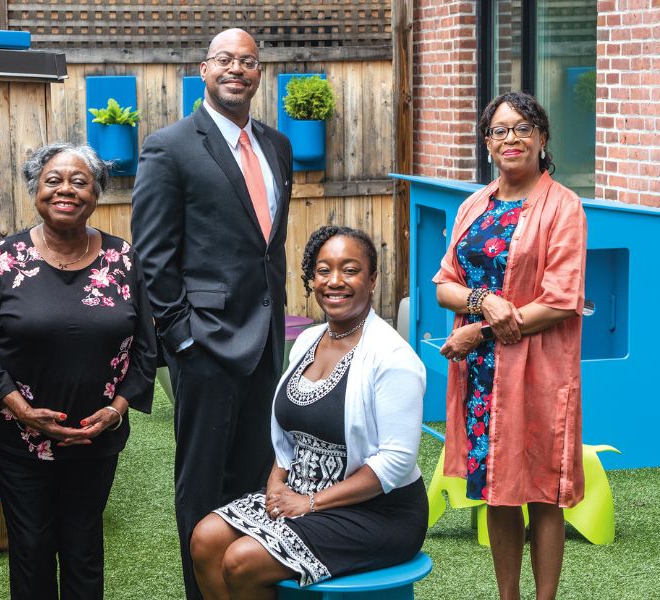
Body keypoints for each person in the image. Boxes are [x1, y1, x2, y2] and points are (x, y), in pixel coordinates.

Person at [130, 28, 293, 598]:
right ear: (204, 69)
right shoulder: (169, 146)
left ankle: (248, 586)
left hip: (268, 342)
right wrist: (181, 338)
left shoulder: (277, 146)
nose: (237, 69)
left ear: (258, 73)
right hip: (204, 344)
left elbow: (266, 245)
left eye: (248, 61)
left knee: (257, 474)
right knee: (202, 485)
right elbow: (152, 255)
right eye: (225, 59)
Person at [189, 226, 428, 599]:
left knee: (242, 560)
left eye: (350, 270)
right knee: (205, 538)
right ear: (312, 279)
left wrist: (310, 503)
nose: (335, 281)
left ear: (372, 280)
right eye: (323, 270)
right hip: (301, 494)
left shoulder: (393, 360)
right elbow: (287, 438)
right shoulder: (307, 341)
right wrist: (275, 484)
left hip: (378, 513)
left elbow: (396, 462)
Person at [0, 143, 156, 600]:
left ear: (96, 193)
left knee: (84, 546)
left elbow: (146, 348)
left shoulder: (122, 260)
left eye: (79, 180)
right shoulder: (3, 258)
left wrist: (117, 409)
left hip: (97, 435)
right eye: (53, 181)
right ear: (36, 189)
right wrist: (23, 411)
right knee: (31, 546)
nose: (65, 190)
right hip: (19, 437)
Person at [434, 91, 587, 600]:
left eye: (523, 128)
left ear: (542, 139)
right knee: (498, 494)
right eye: (499, 130)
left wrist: (479, 326)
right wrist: (482, 299)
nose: (511, 138)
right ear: (487, 143)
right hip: (480, 377)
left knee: (541, 491)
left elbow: (562, 301)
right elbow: (445, 284)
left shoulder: (564, 207)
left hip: (537, 370)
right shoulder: (474, 205)